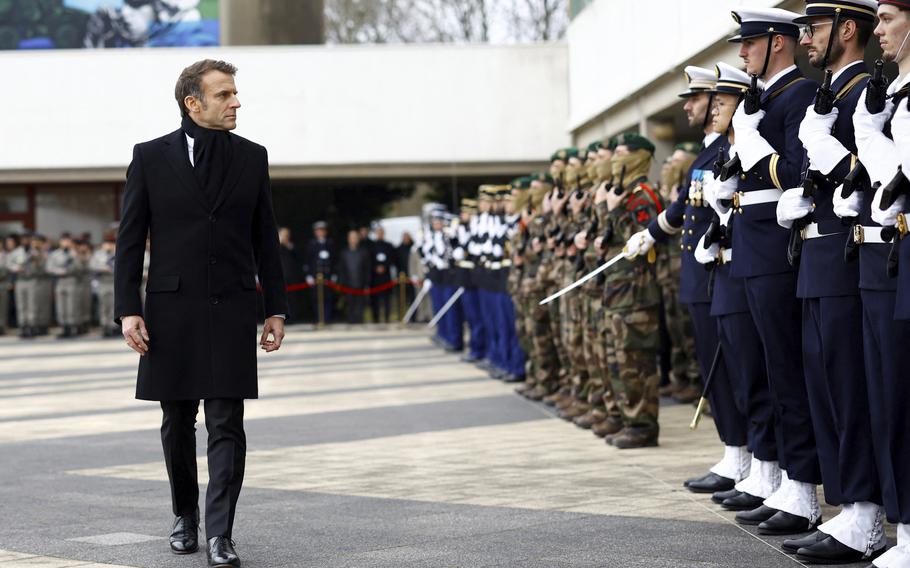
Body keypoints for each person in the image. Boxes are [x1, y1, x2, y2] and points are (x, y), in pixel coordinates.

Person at [114, 59, 287, 568]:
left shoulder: (253, 158)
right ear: (194, 102)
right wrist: (128, 309)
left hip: (232, 307)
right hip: (171, 310)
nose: (237, 102)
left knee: (227, 422)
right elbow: (129, 240)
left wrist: (275, 307)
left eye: (235, 94)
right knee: (176, 420)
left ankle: (220, 534)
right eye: (226, 94)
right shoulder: (149, 157)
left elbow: (265, 239)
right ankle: (184, 516)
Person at [774, 1, 886, 563]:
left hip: (845, 253)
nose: (806, 38)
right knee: (823, 386)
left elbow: (871, 172)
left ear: (847, 30)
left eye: (814, 29)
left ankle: (864, 514)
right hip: (817, 255)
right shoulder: (831, 94)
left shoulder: (865, 89)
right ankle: (846, 505)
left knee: (847, 387)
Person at [710, 7, 823, 535]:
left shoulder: (797, 94)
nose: (741, 54)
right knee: (773, 371)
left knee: (787, 371)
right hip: (755, 249)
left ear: (778, 43)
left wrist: (751, 145)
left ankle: (802, 488)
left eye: (748, 44)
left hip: (778, 250)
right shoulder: (768, 99)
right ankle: (782, 479)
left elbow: (799, 169)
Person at [627, 65, 751, 491]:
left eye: (701, 100)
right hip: (699, 275)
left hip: (719, 270)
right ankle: (734, 451)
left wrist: (655, 229)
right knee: (714, 367)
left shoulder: (723, 151)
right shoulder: (706, 153)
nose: (694, 107)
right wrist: (651, 233)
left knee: (732, 368)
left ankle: (744, 455)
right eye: (696, 100)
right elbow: (684, 206)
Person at [855, 2, 910, 566]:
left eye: (889, 17)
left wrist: (872, 141)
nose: (879, 30)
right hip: (894, 248)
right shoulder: (891, 95)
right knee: (891, 395)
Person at [46, 233, 81, 338]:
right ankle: (63, 327)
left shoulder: (75, 253)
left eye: (67, 241)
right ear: (60, 242)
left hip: (71, 280)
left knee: (71, 305)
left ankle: (72, 327)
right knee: (61, 306)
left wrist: (75, 258)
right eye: (63, 241)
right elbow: (49, 268)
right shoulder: (55, 254)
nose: (65, 243)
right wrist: (58, 271)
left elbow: (80, 269)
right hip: (60, 281)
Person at [302, 221, 335, 324]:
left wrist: (334, 274)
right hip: (315, 276)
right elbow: (306, 260)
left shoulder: (330, 243)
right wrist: (308, 275)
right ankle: (317, 319)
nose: (320, 232)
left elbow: (334, 260)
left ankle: (327, 319)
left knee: (328, 298)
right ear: (315, 232)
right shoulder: (311, 244)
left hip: (327, 276)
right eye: (318, 230)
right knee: (315, 298)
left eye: (322, 230)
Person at [337, 229, 371, 324]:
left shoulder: (364, 252)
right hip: (348, 284)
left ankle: (360, 321)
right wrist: (341, 283)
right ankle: (350, 321)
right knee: (350, 304)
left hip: (360, 283)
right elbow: (341, 269)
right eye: (352, 237)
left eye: (355, 237)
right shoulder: (344, 253)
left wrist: (367, 283)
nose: (353, 239)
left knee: (360, 305)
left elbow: (367, 269)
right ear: (348, 239)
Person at [90, 231, 117, 338]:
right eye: (106, 243)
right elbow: (92, 265)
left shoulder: (117, 252)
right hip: (103, 282)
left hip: (114, 282)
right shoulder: (98, 254)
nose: (108, 245)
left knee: (113, 305)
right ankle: (105, 326)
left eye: (110, 243)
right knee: (103, 305)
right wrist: (104, 268)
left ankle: (114, 327)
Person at [369, 225, 396, 323]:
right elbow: (369, 260)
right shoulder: (371, 246)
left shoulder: (389, 245)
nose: (380, 234)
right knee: (375, 300)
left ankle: (387, 318)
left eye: (381, 232)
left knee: (387, 299)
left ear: (383, 233)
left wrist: (384, 266)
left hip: (386, 277)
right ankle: (376, 319)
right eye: (378, 232)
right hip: (375, 277)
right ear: (376, 233)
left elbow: (392, 259)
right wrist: (376, 267)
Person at [278, 227, 303, 323]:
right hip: (279, 277)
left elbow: (298, 258)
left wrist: (288, 246)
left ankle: (292, 318)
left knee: (292, 299)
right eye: (283, 235)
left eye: (287, 235)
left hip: (291, 277)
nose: (285, 237)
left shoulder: (292, 246)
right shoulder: (275, 246)